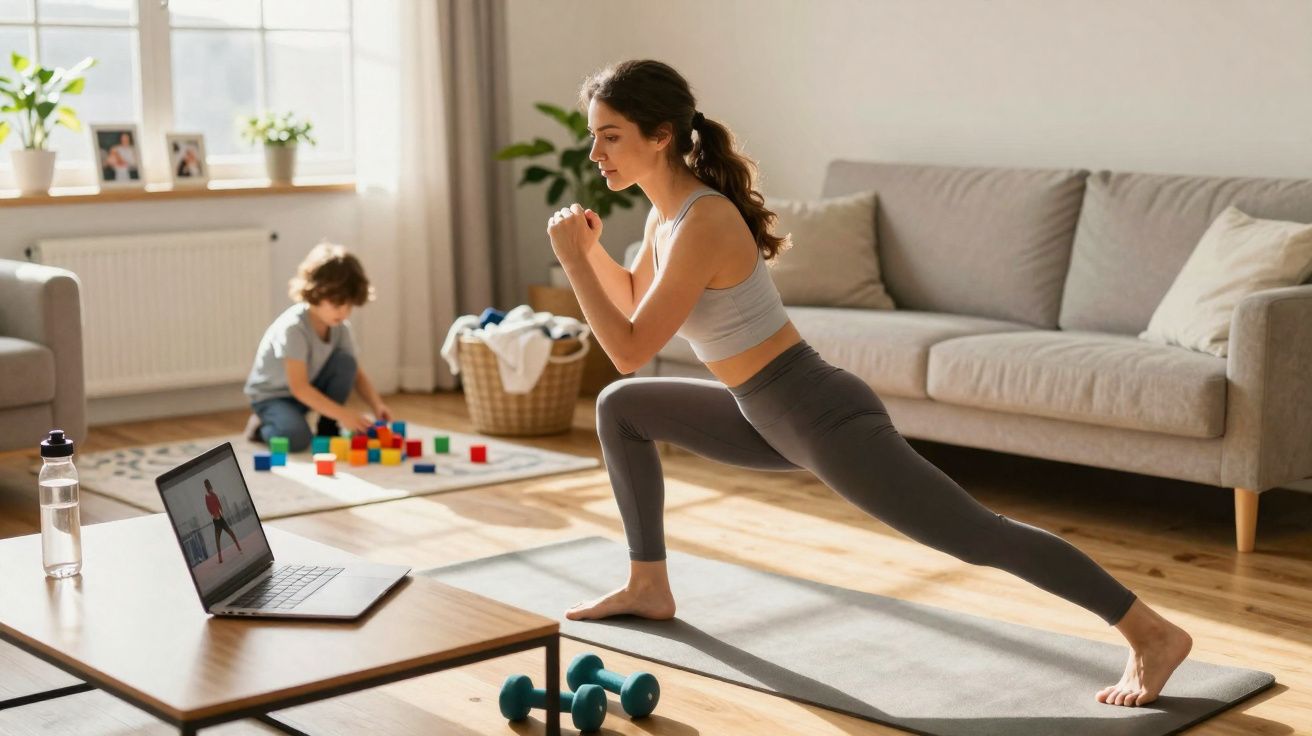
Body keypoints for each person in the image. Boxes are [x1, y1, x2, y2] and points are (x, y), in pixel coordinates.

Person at [546, 59, 1193, 709]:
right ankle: (648, 584)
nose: (595, 152)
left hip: (817, 414)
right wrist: (595, 251)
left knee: (975, 534)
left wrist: (573, 259)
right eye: (594, 135)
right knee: (622, 408)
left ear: (659, 136)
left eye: (610, 135)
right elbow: (634, 298)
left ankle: (1150, 632)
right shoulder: (665, 219)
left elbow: (629, 347)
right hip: (764, 413)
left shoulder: (704, 219)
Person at [242, 242, 390, 450]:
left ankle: (328, 427)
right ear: (316, 293)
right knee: (296, 439)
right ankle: (260, 426)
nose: (344, 312)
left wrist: (377, 405)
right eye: (337, 305)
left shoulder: (340, 327)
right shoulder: (293, 329)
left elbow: (355, 372)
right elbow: (299, 387)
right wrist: (344, 414)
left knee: (346, 363)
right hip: (274, 397)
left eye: (349, 306)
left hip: (306, 392)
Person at [203, 479, 243, 564]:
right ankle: (220, 556)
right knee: (217, 539)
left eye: (209, 486)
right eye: (208, 487)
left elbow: (219, 505)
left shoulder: (214, 495)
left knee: (230, 533)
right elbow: (209, 508)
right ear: (207, 487)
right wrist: (213, 514)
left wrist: (220, 512)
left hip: (220, 519)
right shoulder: (207, 497)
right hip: (216, 521)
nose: (210, 488)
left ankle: (238, 547)